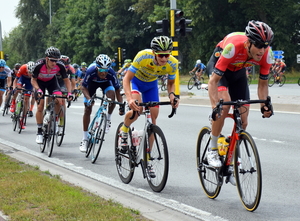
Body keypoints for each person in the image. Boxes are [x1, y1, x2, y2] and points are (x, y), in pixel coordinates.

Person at [206, 20, 274, 184]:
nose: (262, 50)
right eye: (258, 45)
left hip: (238, 75)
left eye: (265, 45)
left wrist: (264, 104)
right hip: (219, 71)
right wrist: (216, 105)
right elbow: (213, 82)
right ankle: (212, 148)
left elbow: (263, 84)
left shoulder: (266, 54)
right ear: (248, 42)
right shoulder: (233, 48)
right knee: (226, 105)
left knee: (243, 120)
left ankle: (232, 160)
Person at [118, 36, 179, 177]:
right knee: (136, 111)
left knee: (153, 122)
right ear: (154, 53)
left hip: (151, 86)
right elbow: (126, 79)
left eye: (167, 55)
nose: (164, 58)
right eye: (161, 55)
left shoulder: (173, 63)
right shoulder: (142, 56)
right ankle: (124, 131)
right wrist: (129, 99)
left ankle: (147, 159)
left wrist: (172, 96)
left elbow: (171, 84)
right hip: (137, 83)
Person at [79, 54, 123, 152]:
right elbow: (83, 87)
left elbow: (117, 90)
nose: (104, 73)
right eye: (101, 70)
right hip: (91, 84)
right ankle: (85, 138)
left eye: (106, 70)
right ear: (97, 67)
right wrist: (89, 98)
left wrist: (121, 105)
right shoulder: (91, 71)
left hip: (106, 84)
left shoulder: (111, 73)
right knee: (87, 109)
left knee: (112, 97)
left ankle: (108, 118)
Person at [31, 46, 73, 144]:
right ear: (46, 58)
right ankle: (39, 132)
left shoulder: (60, 65)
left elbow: (66, 80)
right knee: (40, 106)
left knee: (60, 100)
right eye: (52, 60)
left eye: (56, 61)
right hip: (39, 84)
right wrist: (38, 89)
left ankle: (53, 119)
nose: (54, 63)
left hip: (52, 83)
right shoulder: (39, 65)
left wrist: (69, 92)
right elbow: (33, 80)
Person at [10, 61, 35, 129]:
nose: (30, 74)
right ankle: (13, 103)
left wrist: (35, 91)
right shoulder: (23, 68)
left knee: (26, 99)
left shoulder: (35, 72)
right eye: (29, 72)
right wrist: (14, 88)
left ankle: (22, 120)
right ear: (27, 69)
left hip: (30, 82)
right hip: (22, 79)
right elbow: (15, 80)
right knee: (18, 90)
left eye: (31, 73)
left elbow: (35, 83)